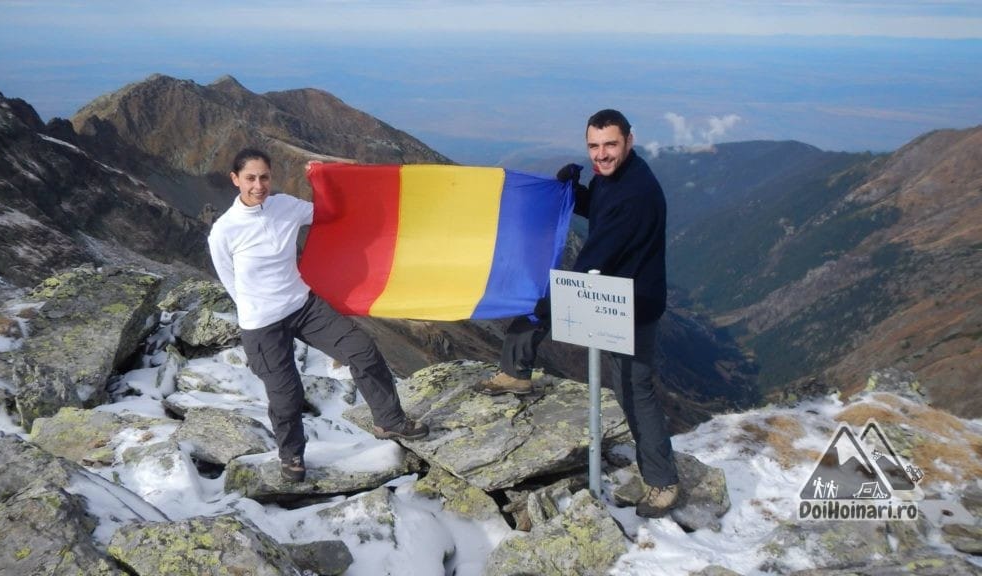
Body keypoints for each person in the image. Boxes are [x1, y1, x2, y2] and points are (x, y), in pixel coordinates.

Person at [479, 109, 680, 517]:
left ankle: (663, 482)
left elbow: (595, 256)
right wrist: (576, 192)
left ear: (629, 141)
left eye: (610, 145)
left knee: (634, 389)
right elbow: (602, 211)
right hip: (614, 293)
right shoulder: (616, 177)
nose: (601, 154)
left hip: (630, 305)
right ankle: (515, 371)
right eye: (594, 146)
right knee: (544, 308)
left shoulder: (635, 195)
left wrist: (556, 294)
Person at [208, 148, 428, 483]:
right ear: (235, 179)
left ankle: (389, 421)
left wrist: (329, 177)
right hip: (262, 324)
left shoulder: (285, 206)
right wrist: (258, 308)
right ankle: (291, 455)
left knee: (362, 350)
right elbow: (230, 281)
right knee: (287, 395)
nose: (258, 185)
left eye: (264, 177)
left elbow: (329, 213)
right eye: (250, 178)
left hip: (303, 305)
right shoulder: (224, 231)